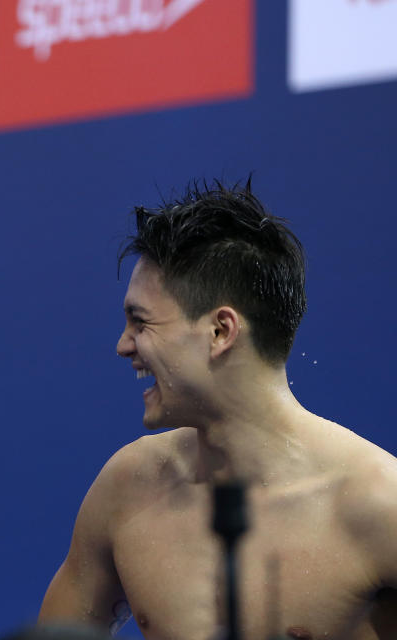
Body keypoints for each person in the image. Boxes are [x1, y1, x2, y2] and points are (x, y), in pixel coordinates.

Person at [38, 181, 397, 639]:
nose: (122, 345)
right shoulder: (126, 489)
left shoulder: (380, 507)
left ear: (220, 331)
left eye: (141, 322)